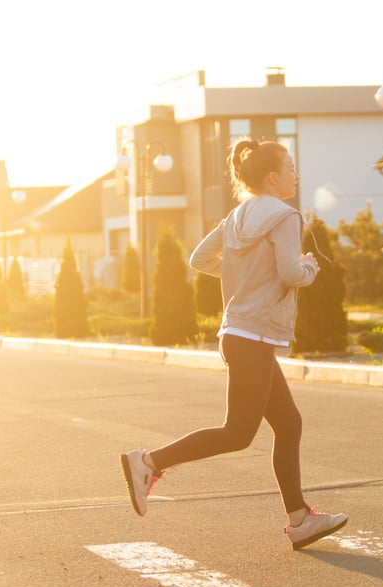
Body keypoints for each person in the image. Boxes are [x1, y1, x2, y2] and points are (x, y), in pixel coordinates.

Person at [119, 139, 348, 551]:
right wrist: (311, 266)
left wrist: (244, 276)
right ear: (273, 177)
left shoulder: (237, 217)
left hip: (238, 333)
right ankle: (148, 462)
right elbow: (292, 273)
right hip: (254, 335)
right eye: (291, 168)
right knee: (238, 433)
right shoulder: (285, 217)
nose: (296, 174)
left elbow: (199, 260)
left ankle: (299, 520)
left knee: (289, 424)